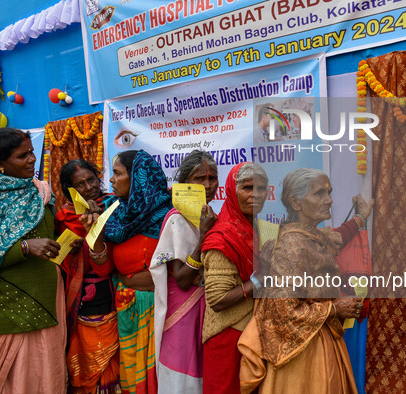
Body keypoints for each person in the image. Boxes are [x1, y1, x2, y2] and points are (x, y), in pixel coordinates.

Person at [238, 168, 374, 394]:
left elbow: (337, 237)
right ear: (296, 202)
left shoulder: (310, 235)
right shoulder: (292, 246)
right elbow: (283, 310)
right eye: (319, 193)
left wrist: (360, 216)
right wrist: (334, 308)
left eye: (329, 192)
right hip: (304, 355)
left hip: (319, 338)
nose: (329, 200)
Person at [0, 128, 66, 393]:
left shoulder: (39, 191)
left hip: (48, 303)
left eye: (32, 152)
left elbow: (47, 234)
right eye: (23, 155)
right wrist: (23, 248)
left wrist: (66, 241)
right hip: (2, 313)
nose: (32, 159)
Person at [84, 149, 172, 394]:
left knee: (161, 377)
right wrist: (98, 238)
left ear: (138, 178)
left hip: (163, 310)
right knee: (132, 378)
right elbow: (103, 269)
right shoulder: (112, 212)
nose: (111, 180)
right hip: (126, 309)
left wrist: (146, 281)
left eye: (117, 173)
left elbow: (179, 269)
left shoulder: (168, 216)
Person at [150, 150, 218, 393]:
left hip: (207, 312)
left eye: (213, 178)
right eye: (200, 179)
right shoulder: (176, 219)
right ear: (185, 184)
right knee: (181, 382)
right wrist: (204, 235)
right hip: (183, 312)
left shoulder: (210, 216)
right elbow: (181, 280)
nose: (208, 185)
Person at [201, 162, 269, 394]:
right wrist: (261, 280)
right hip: (227, 337)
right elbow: (218, 301)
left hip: (251, 333)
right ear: (232, 190)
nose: (256, 195)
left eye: (261, 188)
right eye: (248, 188)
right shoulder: (222, 237)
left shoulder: (257, 228)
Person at [55, 159, 120, 394]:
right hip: (81, 296)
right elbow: (59, 260)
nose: (89, 187)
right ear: (70, 190)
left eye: (91, 179)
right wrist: (71, 252)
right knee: (84, 356)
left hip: (115, 291)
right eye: (80, 184)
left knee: (117, 360)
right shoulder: (64, 217)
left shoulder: (115, 205)